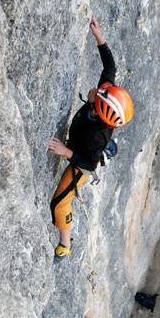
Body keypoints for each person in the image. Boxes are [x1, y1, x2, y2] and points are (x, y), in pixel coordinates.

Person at [48, 17, 134, 261]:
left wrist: (65, 152)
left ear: (101, 110)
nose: (97, 90)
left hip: (82, 162)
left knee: (60, 204)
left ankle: (65, 245)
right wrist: (99, 37)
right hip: (80, 147)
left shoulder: (98, 135)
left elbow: (87, 163)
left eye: (99, 95)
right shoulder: (105, 98)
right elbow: (110, 67)